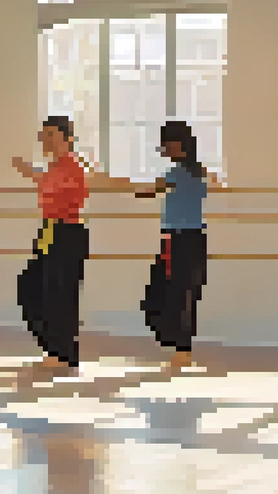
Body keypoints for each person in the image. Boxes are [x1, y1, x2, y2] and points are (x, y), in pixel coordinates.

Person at [116, 121, 220, 370]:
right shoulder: (198, 172)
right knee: (183, 292)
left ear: (177, 145)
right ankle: (181, 347)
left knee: (172, 293)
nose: (163, 149)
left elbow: (146, 191)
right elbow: (212, 184)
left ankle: (181, 348)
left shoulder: (177, 174)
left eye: (165, 144)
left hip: (177, 238)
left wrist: (114, 182)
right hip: (193, 238)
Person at [12, 116, 92, 372]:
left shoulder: (73, 166)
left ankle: (63, 352)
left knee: (61, 294)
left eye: (50, 135)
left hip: (67, 233)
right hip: (49, 231)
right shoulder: (55, 168)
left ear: (66, 138)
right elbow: (46, 181)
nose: (44, 140)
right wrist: (29, 172)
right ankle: (55, 348)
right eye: (43, 135)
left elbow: (59, 187)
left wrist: (31, 173)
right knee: (32, 287)